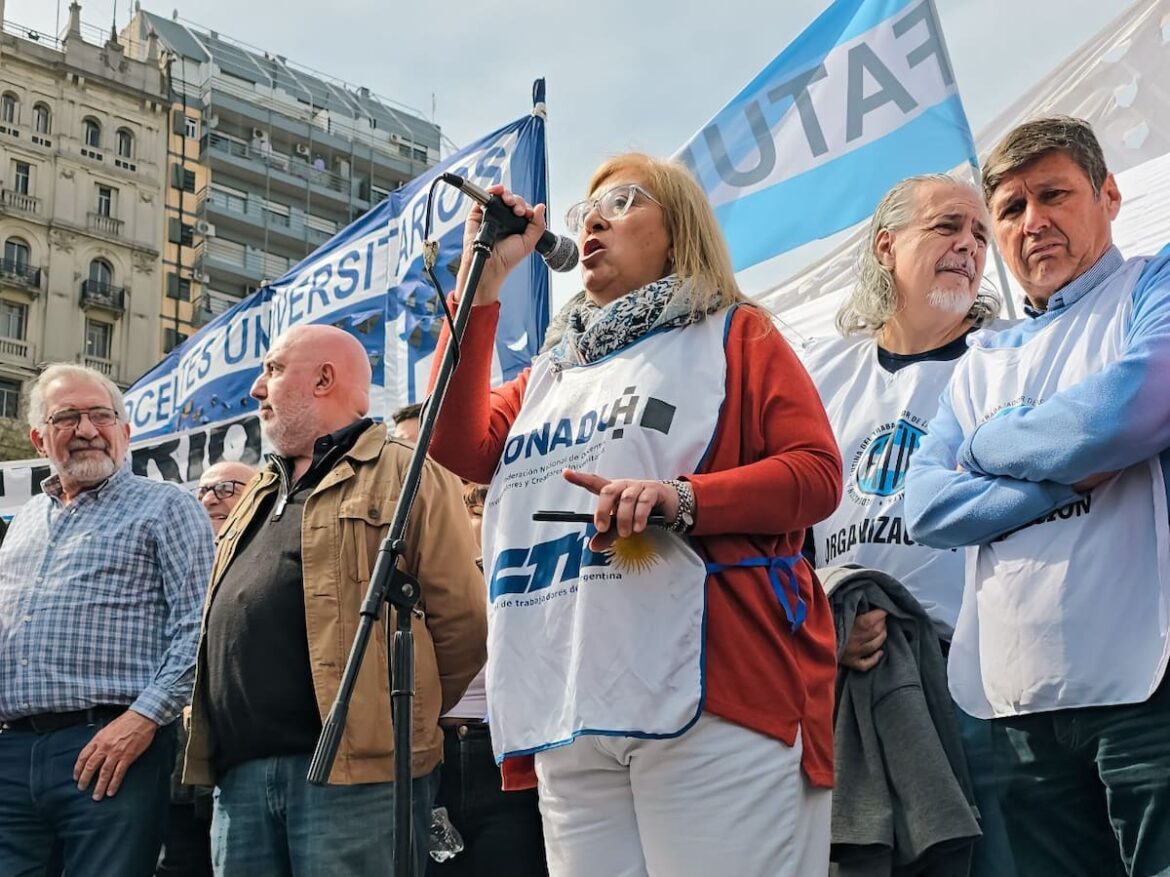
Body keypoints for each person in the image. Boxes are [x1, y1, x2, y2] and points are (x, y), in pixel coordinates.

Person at [427, 153, 841, 877]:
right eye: (586, 209)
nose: (591, 219)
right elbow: (453, 439)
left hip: (717, 693)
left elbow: (815, 474)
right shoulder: (553, 371)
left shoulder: (736, 333)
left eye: (622, 201)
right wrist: (482, 279)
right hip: (570, 706)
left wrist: (682, 499)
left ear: (679, 234)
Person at [905, 116, 1170, 876]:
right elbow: (927, 506)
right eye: (1012, 210)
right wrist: (1072, 466)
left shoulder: (1151, 283)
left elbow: (1133, 409)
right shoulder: (980, 357)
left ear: (1110, 195)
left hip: (1148, 689)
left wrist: (988, 447)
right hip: (1019, 708)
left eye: (1054, 194)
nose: (1034, 222)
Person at [183, 324, 487, 877]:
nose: (256, 389)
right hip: (240, 777)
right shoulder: (257, 489)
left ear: (324, 378)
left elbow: (462, 621)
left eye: (272, 370)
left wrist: (397, 720)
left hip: (358, 779)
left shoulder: (406, 468)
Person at [802, 173, 1016, 875]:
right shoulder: (822, 371)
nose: (969, 245)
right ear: (887, 245)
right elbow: (784, 533)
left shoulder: (1009, 357)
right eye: (948, 226)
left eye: (980, 234)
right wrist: (823, 625)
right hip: (844, 687)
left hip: (980, 690)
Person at [0, 363, 215, 877]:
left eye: (101, 415)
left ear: (125, 430)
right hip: (12, 752)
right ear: (39, 436)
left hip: (113, 749)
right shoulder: (24, 519)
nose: (87, 431)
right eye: (67, 417)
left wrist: (142, 720)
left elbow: (201, 627)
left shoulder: (168, 506)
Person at [429, 484, 548, 877]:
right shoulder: (425, 563)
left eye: (478, 510)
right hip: (433, 757)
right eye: (472, 511)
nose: (472, 523)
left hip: (507, 752)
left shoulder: (531, 569)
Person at [157, 461, 259, 877]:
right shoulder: (171, 565)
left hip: (245, 765)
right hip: (180, 767)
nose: (210, 497)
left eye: (227, 487)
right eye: (202, 490)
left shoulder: (272, 564)